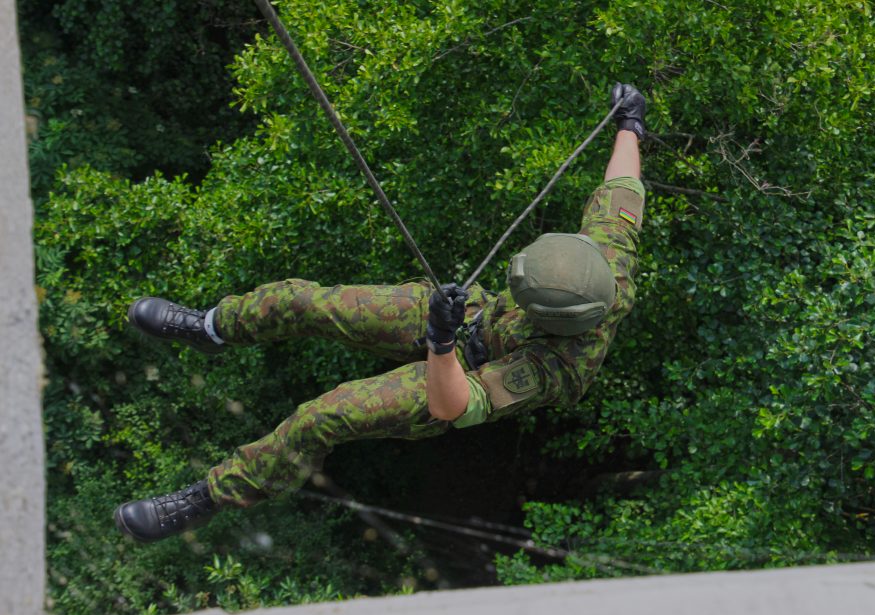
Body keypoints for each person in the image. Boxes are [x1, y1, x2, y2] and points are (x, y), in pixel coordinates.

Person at [114, 83, 648, 543]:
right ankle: (211, 328)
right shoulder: (603, 256)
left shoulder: (558, 369)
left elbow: (453, 405)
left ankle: (209, 497)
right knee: (306, 301)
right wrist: (631, 122)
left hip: (454, 375)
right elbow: (622, 189)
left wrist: (442, 343)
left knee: (321, 417)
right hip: (471, 317)